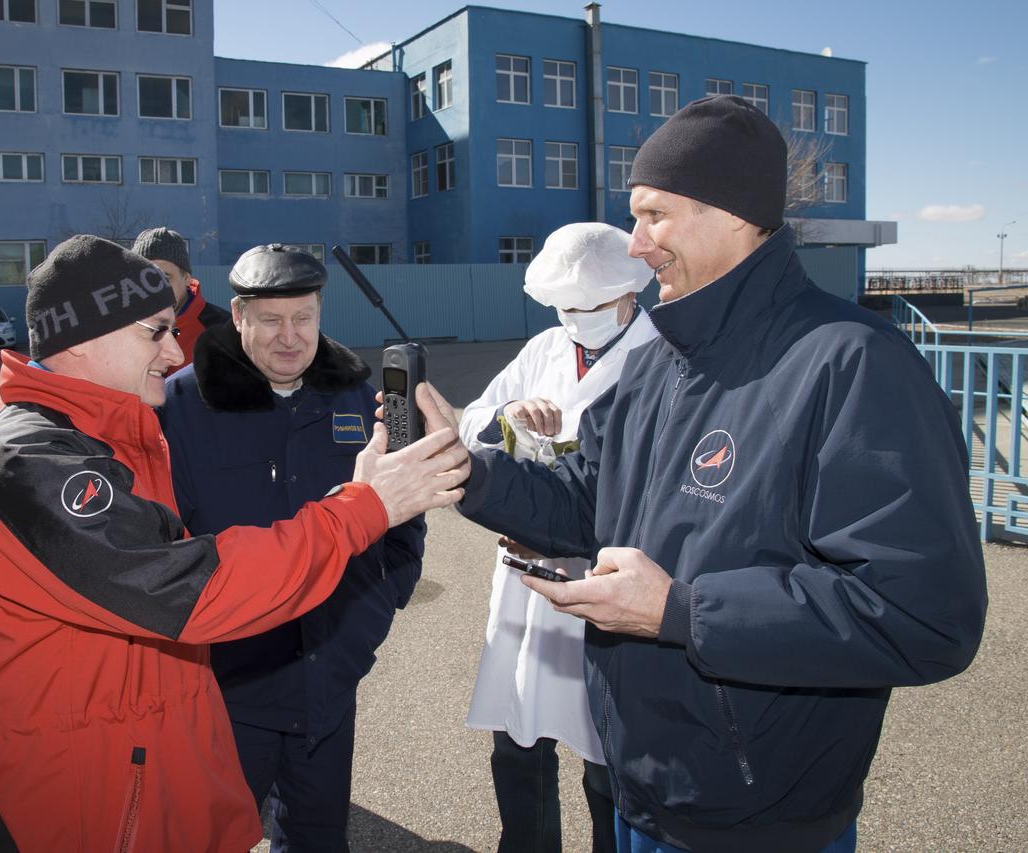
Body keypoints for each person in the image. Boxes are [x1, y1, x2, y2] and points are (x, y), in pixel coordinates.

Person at [430, 96, 987, 852]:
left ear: (734, 213)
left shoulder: (854, 364)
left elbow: (924, 614)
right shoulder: (658, 362)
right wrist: (472, 473)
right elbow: (586, 496)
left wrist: (682, 611)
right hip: (642, 792)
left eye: (654, 214)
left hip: (759, 823)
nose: (635, 243)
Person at [0, 235, 467, 852]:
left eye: (305, 317)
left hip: (143, 766)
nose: (173, 348)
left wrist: (375, 596)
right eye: (155, 331)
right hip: (78, 802)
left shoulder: (110, 433)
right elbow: (194, 588)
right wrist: (366, 506)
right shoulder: (33, 459)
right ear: (82, 338)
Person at [160, 243, 425, 852]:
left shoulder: (359, 395)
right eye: (271, 321)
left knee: (318, 839)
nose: (290, 337)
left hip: (329, 676)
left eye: (302, 318)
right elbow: (163, 541)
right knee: (209, 838)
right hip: (230, 686)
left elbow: (404, 501)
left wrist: (385, 593)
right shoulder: (180, 404)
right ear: (239, 316)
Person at [459, 222, 657, 853]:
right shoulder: (545, 347)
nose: (577, 319)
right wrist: (505, 418)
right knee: (520, 735)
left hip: (609, 575)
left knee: (608, 752)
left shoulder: (663, 354)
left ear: (630, 292)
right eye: (565, 307)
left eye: (591, 306)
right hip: (527, 575)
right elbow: (471, 424)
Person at [132, 226, 229, 361]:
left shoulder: (221, 331)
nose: (155, 287)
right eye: (146, 278)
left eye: (165, 277)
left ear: (187, 279)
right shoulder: (119, 328)